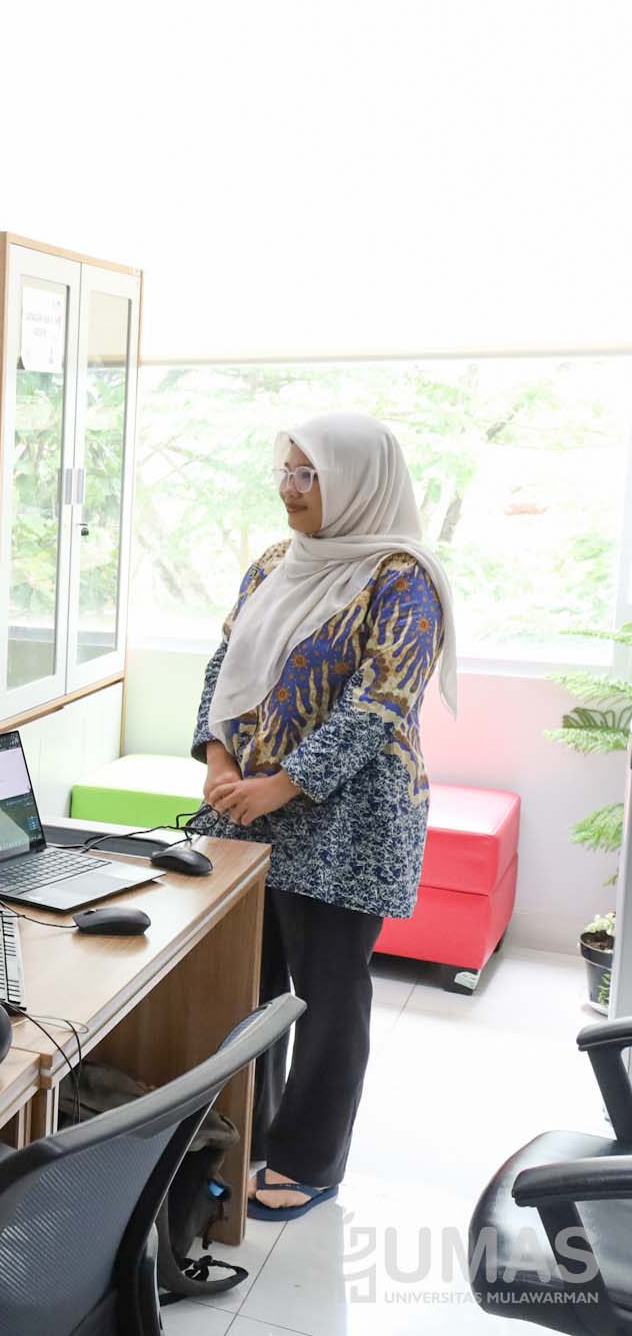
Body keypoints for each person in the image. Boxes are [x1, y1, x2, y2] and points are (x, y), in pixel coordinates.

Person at [191, 412, 456, 1222]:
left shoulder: (402, 577)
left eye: (311, 475)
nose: (291, 488)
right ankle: (244, 1134)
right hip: (246, 808)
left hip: (350, 823)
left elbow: (380, 703)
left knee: (328, 997)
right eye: (287, 470)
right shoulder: (276, 562)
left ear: (357, 484)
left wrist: (284, 784)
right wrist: (218, 758)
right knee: (246, 983)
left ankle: (308, 1161)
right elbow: (224, 661)